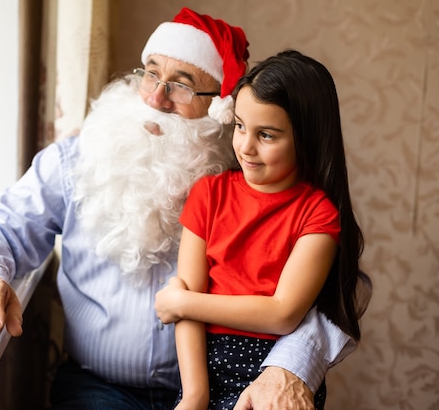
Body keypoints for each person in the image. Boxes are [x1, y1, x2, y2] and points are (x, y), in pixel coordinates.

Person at [0, 8, 364, 410]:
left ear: (218, 107)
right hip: (99, 388)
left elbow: (330, 290)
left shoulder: (247, 176)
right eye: (151, 74)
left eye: (182, 84)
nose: (157, 98)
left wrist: (291, 363)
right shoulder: (76, 162)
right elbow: (1, 226)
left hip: (227, 383)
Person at [155, 49, 370, 410]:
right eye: (240, 126)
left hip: (275, 369)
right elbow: (189, 310)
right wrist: (194, 394)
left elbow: (282, 313)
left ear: (306, 137)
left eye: (267, 135)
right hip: (202, 368)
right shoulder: (209, 194)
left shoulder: (318, 213)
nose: (246, 147)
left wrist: (183, 301)